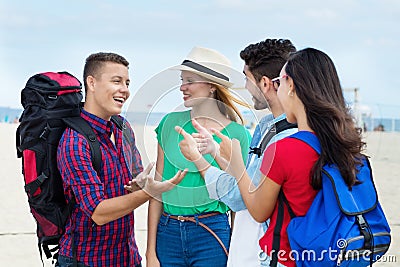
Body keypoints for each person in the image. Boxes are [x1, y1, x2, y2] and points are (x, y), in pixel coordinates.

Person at [213, 48, 365, 267]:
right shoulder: (345, 143)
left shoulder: (284, 150)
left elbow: (257, 210)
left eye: (281, 82)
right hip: (330, 255)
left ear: (290, 85)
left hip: (289, 257)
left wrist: (236, 164)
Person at [56, 52, 187, 267]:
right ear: (92, 83)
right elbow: (98, 212)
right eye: (116, 81)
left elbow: (134, 180)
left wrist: (140, 185)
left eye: (127, 82)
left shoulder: (122, 128)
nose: (125, 90)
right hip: (86, 260)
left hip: (127, 257)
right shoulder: (74, 142)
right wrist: (150, 192)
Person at [177, 39, 298, 266]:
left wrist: (199, 160)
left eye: (246, 77)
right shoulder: (268, 127)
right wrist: (217, 154)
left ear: (264, 83)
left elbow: (241, 198)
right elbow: (247, 180)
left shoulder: (282, 139)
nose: (245, 86)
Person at [146, 46, 251, 267]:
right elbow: (157, 190)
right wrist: (150, 252)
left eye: (190, 81)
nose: (183, 87)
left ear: (212, 85)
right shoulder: (168, 124)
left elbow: (238, 199)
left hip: (212, 233)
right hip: (168, 233)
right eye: (182, 80)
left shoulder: (237, 134)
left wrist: (236, 254)